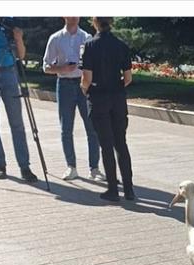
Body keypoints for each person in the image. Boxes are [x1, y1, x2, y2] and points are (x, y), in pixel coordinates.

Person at [80, 17, 134, 202]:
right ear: (110, 22)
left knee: (106, 145)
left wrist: (85, 89)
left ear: (95, 22)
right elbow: (128, 78)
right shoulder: (121, 45)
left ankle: (113, 189)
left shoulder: (89, 45)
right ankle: (129, 190)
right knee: (121, 143)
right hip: (118, 98)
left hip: (98, 97)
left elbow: (86, 77)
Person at [43, 17, 104, 182]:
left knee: (92, 127)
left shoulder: (86, 37)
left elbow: (96, 63)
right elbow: (46, 66)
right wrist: (61, 68)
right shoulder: (56, 38)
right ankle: (71, 167)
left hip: (84, 83)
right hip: (64, 84)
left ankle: (95, 168)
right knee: (66, 128)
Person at [0, 18, 37, 182]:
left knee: (17, 123)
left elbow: (21, 54)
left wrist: (18, 38)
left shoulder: (7, 25)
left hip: (9, 73)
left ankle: (24, 166)